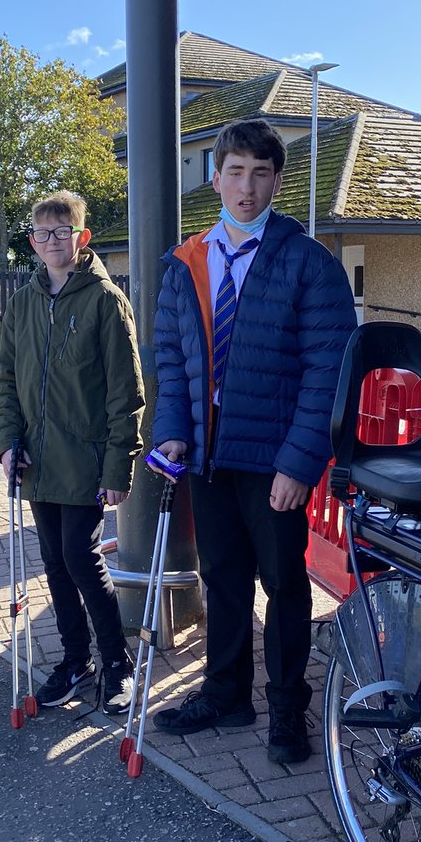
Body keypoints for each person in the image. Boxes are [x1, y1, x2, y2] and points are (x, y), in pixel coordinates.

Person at [150, 119, 357, 763]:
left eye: (260, 173)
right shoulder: (187, 263)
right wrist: (172, 434)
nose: (246, 187)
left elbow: (330, 371)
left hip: (274, 463)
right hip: (209, 457)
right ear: (215, 178)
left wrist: (300, 464)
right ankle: (226, 693)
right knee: (224, 578)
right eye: (235, 172)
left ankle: (288, 710)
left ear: (276, 180)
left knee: (284, 584)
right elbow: (169, 357)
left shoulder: (308, 263)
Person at [0, 191, 145, 715]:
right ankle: (76, 659)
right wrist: (6, 443)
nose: (52, 242)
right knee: (55, 561)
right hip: (38, 461)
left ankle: (117, 662)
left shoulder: (105, 301)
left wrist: (118, 465)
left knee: (82, 559)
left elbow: (126, 393)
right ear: (32, 241)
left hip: (85, 461)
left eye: (62, 232)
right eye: (42, 234)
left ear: (81, 239)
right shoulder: (22, 301)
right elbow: (7, 382)